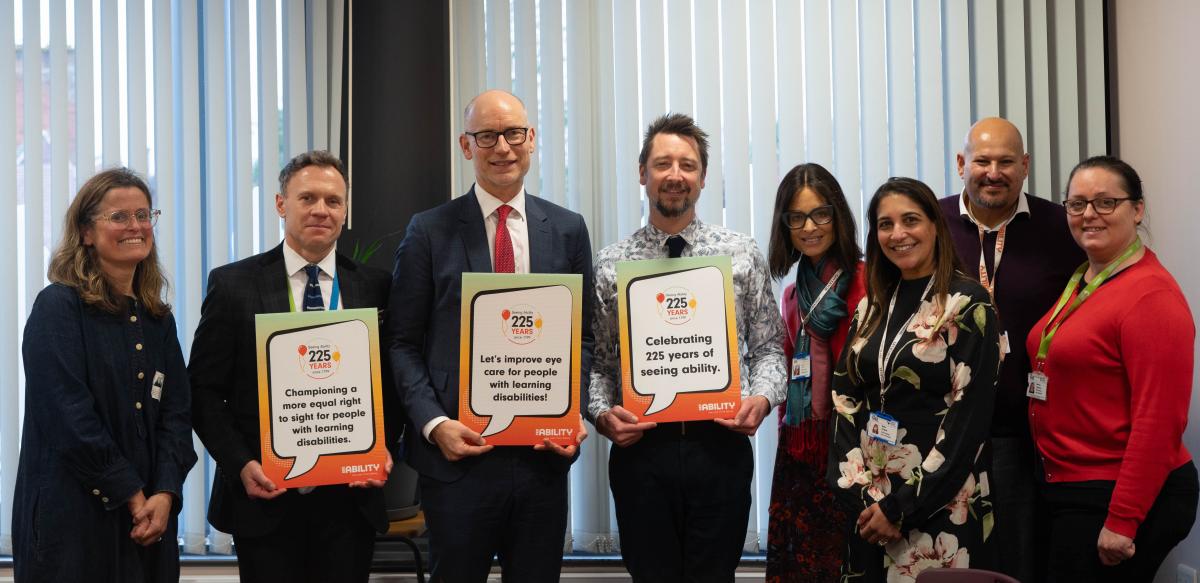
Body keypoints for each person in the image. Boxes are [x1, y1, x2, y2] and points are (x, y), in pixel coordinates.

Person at [388, 89, 593, 582]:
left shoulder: (567, 230)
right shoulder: (429, 231)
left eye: (513, 133)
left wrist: (571, 415)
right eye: (486, 136)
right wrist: (434, 424)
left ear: (531, 139)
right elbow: (400, 342)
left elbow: (582, 339)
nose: (502, 146)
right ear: (466, 146)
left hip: (542, 460)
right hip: (457, 459)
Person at [588, 113, 788, 582]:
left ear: (701, 177)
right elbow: (597, 364)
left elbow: (769, 350)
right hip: (642, 453)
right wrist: (600, 414)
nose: (675, 175)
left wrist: (760, 400)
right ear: (643, 173)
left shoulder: (740, 252)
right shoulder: (610, 263)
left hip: (719, 449)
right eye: (662, 164)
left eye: (687, 165)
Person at [189, 151, 397, 583]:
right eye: (307, 198)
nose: (321, 210)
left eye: (333, 200)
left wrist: (382, 451)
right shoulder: (232, 285)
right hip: (265, 497)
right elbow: (204, 391)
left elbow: (393, 387)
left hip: (348, 502)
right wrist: (240, 463)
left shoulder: (375, 286)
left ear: (345, 210)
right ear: (281, 204)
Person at [12, 168, 197, 582]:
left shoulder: (157, 319)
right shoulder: (57, 307)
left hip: (149, 525)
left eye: (144, 215)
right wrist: (132, 494)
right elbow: (68, 416)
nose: (135, 226)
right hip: (73, 525)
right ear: (86, 233)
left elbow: (177, 416)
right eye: (119, 217)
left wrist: (165, 493)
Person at [1028, 156, 1197, 582]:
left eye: (1106, 202)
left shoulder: (1150, 296)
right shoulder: (1086, 277)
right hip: (1073, 485)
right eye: (1077, 203)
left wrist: (1123, 520)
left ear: (1137, 210)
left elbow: (1158, 422)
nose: (1089, 215)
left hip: (1116, 492)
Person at [828, 177, 1000, 582]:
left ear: (936, 227)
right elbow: (844, 400)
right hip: (870, 508)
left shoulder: (967, 303)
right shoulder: (871, 305)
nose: (898, 234)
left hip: (940, 506)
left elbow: (968, 422)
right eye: (885, 224)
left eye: (910, 220)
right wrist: (863, 497)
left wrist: (900, 508)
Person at [938, 117, 1084, 582]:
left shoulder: (1063, 228)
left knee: (1020, 561)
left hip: (1028, 434)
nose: (993, 172)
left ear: (1025, 167)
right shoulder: (930, 224)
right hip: (946, 430)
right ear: (962, 164)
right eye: (982, 160)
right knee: (952, 559)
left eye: (1006, 162)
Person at [763, 163, 865, 582]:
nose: (809, 227)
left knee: (848, 563)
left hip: (854, 450)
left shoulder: (869, 282)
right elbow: (787, 372)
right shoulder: (790, 294)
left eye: (820, 214)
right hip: (800, 454)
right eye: (796, 217)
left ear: (838, 216)